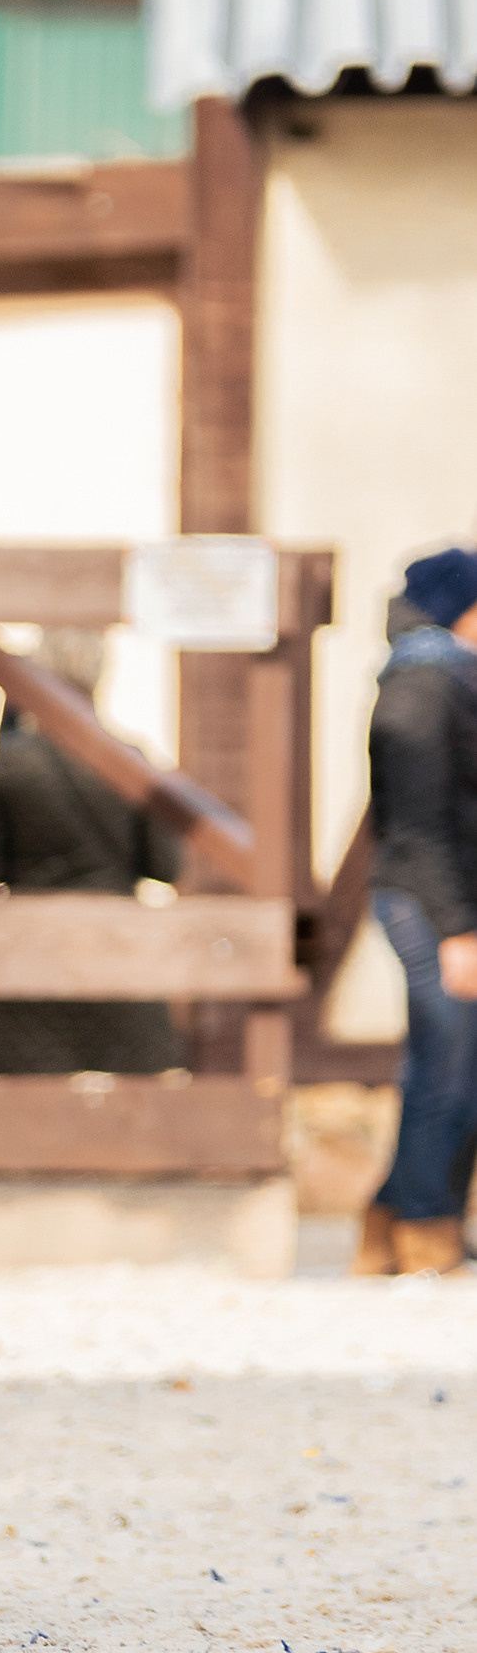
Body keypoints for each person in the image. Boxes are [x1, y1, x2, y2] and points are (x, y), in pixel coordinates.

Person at [0, 629, 185, 1076]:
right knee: (127, 1101)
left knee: (28, 1103)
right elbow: (165, 866)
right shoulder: (131, 758)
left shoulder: (11, 760)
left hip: (33, 958)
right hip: (118, 954)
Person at [357, 546, 477, 1276]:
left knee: (450, 1066)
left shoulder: (444, 677)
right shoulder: (423, 685)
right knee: (448, 1070)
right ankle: (423, 1230)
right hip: (431, 904)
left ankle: (395, 1224)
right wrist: (456, 927)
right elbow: (419, 823)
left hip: (443, 902)